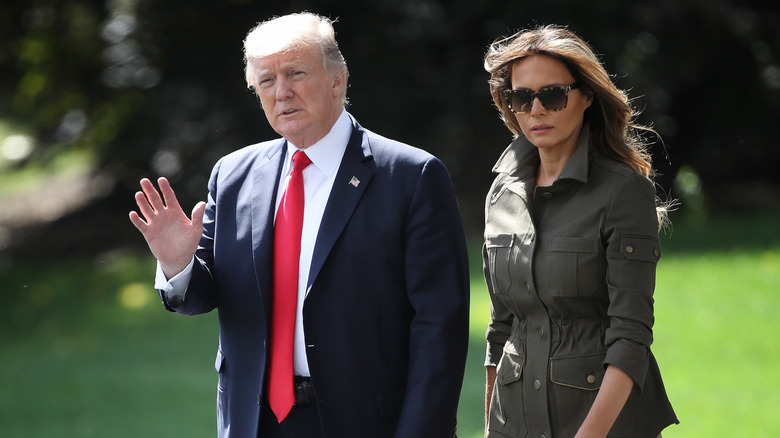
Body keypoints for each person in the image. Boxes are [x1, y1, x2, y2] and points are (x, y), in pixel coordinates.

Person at [129, 12, 469, 438]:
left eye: (296, 73)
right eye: (266, 81)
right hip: (254, 423)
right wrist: (178, 265)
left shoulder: (410, 176)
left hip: (367, 423)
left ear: (337, 81)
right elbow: (202, 296)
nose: (282, 92)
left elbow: (440, 329)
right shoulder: (234, 175)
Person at [480, 25, 678, 438]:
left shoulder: (623, 191)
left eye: (552, 95)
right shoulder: (501, 193)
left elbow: (631, 336)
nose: (536, 110)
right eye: (522, 97)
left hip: (603, 425)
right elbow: (502, 329)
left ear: (586, 96)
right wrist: (490, 428)